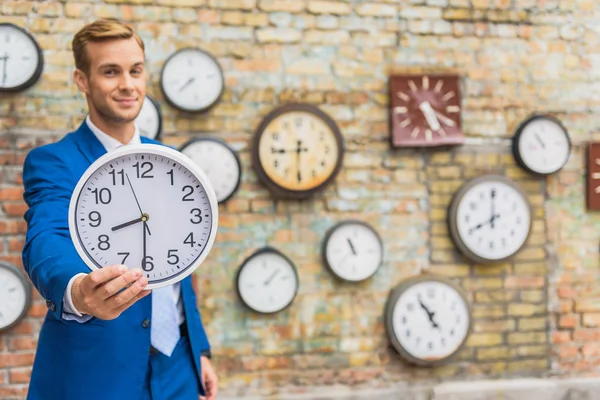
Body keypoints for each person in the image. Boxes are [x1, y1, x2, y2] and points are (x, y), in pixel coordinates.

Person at [21, 19, 218, 400]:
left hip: (178, 368)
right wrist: (78, 290)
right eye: (110, 72)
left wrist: (199, 351)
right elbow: (46, 239)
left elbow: (180, 262)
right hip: (96, 373)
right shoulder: (54, 162)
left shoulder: (172, 161)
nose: (127, 84)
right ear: (82, 80)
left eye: (135, 70)